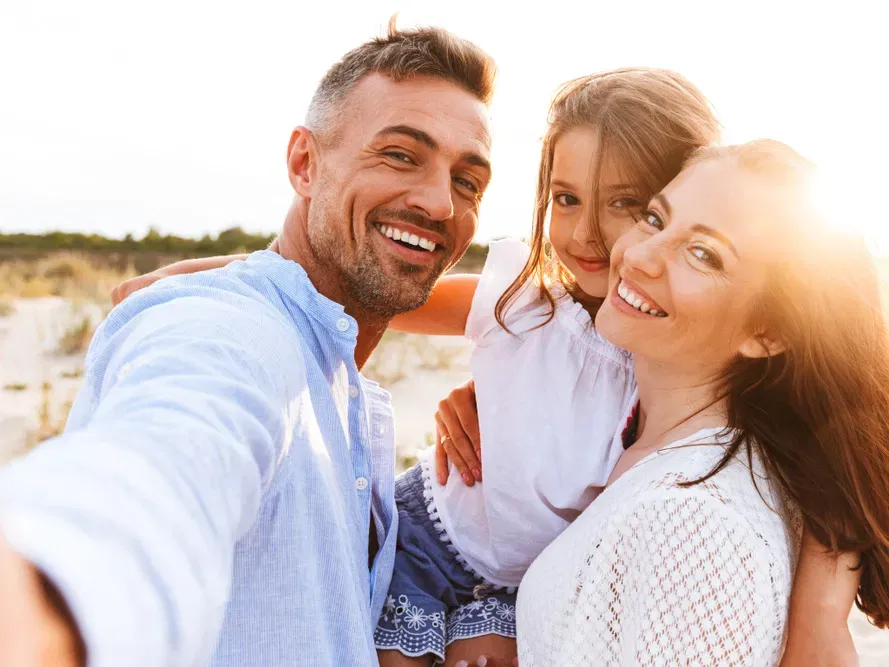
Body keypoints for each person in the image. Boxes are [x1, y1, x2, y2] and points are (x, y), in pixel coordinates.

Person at [118, 72, 868, 666]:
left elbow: (829, 429)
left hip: (512, 580)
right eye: (568, 200)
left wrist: (820, 611)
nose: (599, 238)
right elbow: (357, 288)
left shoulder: (691, 454)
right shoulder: (530, 304)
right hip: (435, 532)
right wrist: (201, 282)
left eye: (630, 205)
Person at [0, 22, 497, 667]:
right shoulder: (234, 332)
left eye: (468, 181)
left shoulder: (346, 391)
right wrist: (53, 591)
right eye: (400, 154)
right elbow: (175, 447)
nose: (438, 201)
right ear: (304, 163)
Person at [515, 139, 889, 665]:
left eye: (703, 254)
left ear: (767, 332)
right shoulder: (649, 443)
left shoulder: (691, 521)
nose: (639, 256)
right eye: (653, 218)